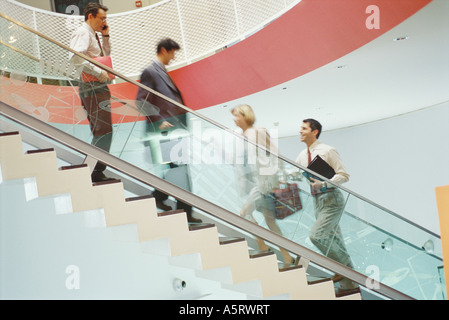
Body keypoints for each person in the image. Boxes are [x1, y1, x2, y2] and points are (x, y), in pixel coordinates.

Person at [136, 38, 201, 223]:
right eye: (172, 52)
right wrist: (159, 122)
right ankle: (171, 204)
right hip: (165, 132)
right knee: (179, 171)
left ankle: (164, 200)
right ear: (163, 50)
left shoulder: (161, 72)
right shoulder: (150, 71)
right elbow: (141, 101)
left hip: (175, 131)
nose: (173, 57)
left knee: (178, 171)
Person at [296, 118, 359, 296]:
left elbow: (344, 175)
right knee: (334, 240)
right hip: (317, 201)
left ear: (314, 131)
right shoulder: (301, 156)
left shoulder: (327, 150)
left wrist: (324, 184)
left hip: (331, 198)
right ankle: (350, 285)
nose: (300, 131)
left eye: (303, 128)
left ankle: (344, 268)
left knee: (317, 236)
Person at [232, 104, 298, 265]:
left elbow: (275, 153)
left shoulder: (258, 131)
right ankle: (287, 255)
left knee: (245, 213)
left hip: (266, 182)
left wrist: (280, 176)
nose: (234, 119)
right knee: (270, 221)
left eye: (237, 116)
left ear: (245, 116)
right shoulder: (243, 135)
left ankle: (263, 246)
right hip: (257, 181)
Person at [69, 2, 114, 182]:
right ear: (90, 16)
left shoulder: (93, 34)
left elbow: (106, 56)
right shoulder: (82, 32)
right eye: (101, 18)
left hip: (98, 86)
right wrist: (98, 72)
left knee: (102, 130)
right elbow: (75, 58)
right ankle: (93, 170)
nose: (103, 21)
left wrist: (105, 35)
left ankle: (94, 169)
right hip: (92, 86)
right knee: (103, 130)